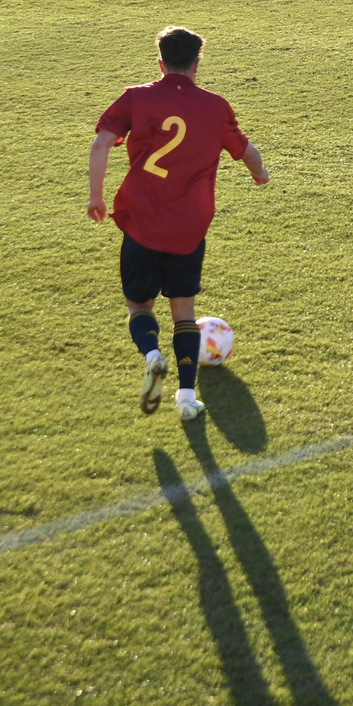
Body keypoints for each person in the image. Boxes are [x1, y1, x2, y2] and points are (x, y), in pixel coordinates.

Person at [88, 27, 269, 421]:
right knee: (184, 313)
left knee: (139, 305)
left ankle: (152, 355)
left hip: (141, 220)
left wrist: (96, 196)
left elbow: (101, 143)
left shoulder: (137, 97)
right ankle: (186, 399)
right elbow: (246, 151)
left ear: (160, 63)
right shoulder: (216, 106)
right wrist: (260, 173)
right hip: (189, 228)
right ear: (197, 65)